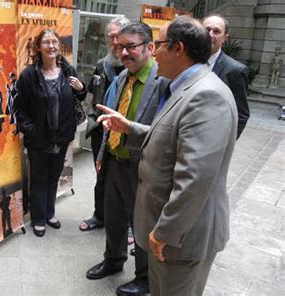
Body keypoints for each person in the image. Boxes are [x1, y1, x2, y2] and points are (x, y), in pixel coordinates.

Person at [97, 16, 238, 295]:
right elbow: (171, 137)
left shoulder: (206, 96)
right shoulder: (184, 86)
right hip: (171, 234)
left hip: (181, 239)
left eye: (158, 44)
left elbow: (194, 179)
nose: (153, 51)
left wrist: (164, 233)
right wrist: (130, 128)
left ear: (178, 48)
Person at [85, 22, 169, 296]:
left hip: (143, 167)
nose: (123, 53)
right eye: (119, 47)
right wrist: (101, 155)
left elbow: (165, 133)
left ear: (150, 47)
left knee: (143, 224)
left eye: (130, 46)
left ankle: (144, 278)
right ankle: (113, 261)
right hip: (114, 161)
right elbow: (111, 120)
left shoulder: (163, 82)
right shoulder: (121, 78)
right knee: (114, 217)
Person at [15, 28, 86, 237]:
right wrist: (30, 130)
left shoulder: (68, 70)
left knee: (54, 176)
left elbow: (80, 97)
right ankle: (38, 218)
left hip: (62, 136)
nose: (51, 46)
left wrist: (81, 89)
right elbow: (19, 109)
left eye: (54, 41)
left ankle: (49, 213)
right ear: (38, 47)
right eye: (46, 42)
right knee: (38, 178)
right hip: (38, 138)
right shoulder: (28, 75)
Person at [79, 15, 130, 232]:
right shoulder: (102, 65)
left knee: (126, 179)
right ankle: (99, 216)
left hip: (127, 131)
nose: (114, 42)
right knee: (101, 176)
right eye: (110, 37)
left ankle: (128, 224)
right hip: (102, 131)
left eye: (118, 36)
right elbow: (91, 94)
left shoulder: (133, 65)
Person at [202, 14, 249, 138]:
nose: (210, 34)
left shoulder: (235, 70)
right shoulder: (188, 61)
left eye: (216, 31)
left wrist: (226, 143)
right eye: (207, 30)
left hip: (213, 140)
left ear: (224, 38)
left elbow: (241, 114)